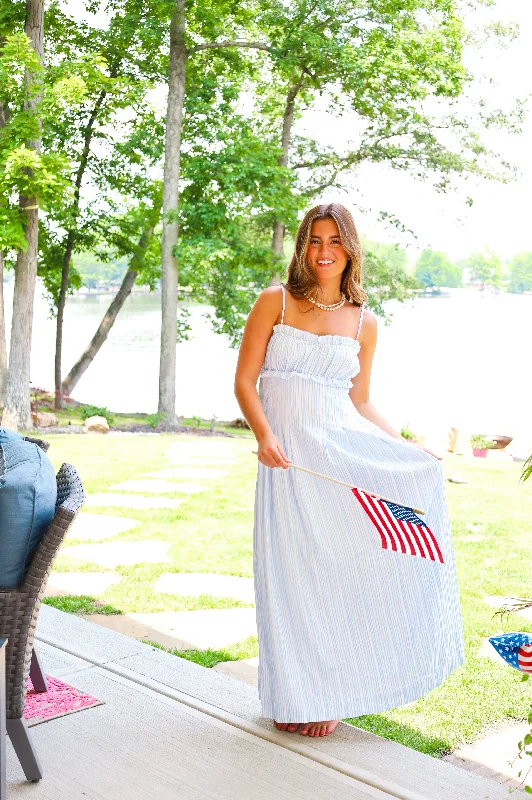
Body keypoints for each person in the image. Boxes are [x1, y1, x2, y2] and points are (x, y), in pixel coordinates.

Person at [234, 202, 464, 738]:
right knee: (285, 578)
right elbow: (245, 381)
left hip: (337, 458)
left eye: (334, 241)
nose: (323, 252)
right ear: (302, 247)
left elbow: (360, 402)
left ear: (350, 249)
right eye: (314, 240)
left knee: (334, 578)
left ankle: (331, 694)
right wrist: (265, 436)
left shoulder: (365, 322)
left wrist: (406, 448)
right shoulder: (276, 303)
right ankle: (293, 695)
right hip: (287, 464)